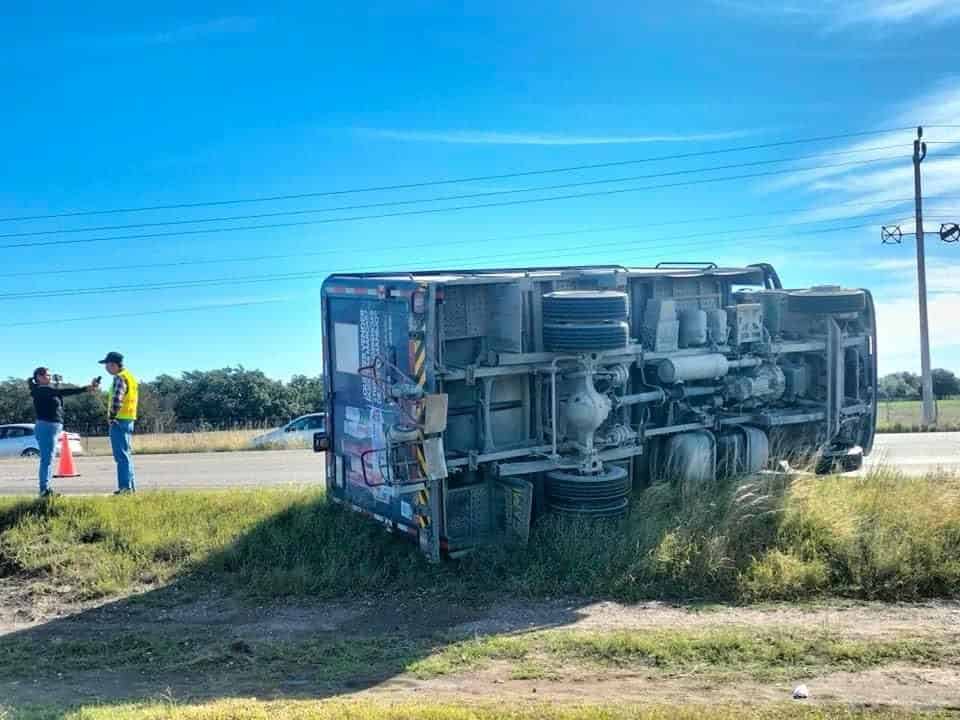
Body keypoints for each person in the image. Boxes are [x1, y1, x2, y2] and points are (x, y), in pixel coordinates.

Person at [28, 367, 100, 498]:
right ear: (38, 377)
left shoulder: (47, 390)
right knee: (47, 460)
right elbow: (65, 391)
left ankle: (45, 489)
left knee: (48, 459)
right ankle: (44, 490)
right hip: (46, 427)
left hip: (50, 427)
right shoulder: (41, 390)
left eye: (49, 375)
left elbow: (60, 396)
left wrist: (87, 388)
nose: (49, 377)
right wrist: (85, 388)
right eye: (46, 375)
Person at [99, 351, 139, 494]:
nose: (106, 368)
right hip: (129, 418)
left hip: (119, 420)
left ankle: (124, 489)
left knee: (121, 457)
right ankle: (130, 488)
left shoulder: (119, 378)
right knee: (126, 456)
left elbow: (117, 399)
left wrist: (111, 417)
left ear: (114, 364)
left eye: (107, 365)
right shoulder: (130, 377)